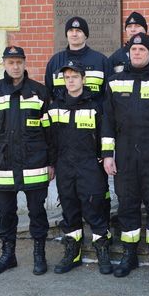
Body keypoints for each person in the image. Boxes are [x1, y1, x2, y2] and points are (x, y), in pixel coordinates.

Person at [102, 32, 149, 280]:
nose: (137, 53)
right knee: (127, 204)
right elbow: (108, 122)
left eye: (142, 50)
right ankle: (129, 254)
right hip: (123, 153)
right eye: (133, 50)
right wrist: (107, 155)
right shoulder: (114, 82)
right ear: (128, 53)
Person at [0, 46, 54, 276]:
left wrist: (52, 163)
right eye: (11, 62)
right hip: (2, 166)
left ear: (25, 63)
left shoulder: (40, 92)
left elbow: (51, 133)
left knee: (37, 212)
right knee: (6, 213)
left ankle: (39, 255)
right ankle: (8, 255)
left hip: (35, 165)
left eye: (19, 62)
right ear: (4, 65)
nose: (15, 66)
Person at [48, 60, 112, 275]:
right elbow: (49, 137)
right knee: (70, 209)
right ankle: (72, 253)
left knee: (95, 208)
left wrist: (106, 157)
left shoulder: (95, 105)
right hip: (65, 165)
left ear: (83, 79)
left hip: (90, 166)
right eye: (67, 77)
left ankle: (103, 251)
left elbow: (106, 135)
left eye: (75, 76)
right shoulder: (55, 106)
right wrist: (51, 163)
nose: (71, 80)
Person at [45, 16, 110, 102]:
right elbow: (48, 93)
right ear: (66, 34)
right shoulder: (55, 61)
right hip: (62, 114)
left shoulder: (101, 61)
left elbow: (109, 95)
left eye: (78, 31)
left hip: (94, 114)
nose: (74, 34)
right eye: (71, 30)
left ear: (86, 35)